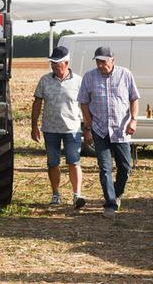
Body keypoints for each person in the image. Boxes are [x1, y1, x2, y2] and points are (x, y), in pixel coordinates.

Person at [77, 47, 140, 219]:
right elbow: (84, 102)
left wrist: (133, 119)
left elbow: (134, 98)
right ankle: (110, 203)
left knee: (125, 167)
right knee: (105, 168)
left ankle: (117, 193)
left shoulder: (125, 75)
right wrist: (88, 127)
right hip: (100, 130)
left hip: (121, 129)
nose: (100, 65)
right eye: (98, 61)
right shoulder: (89, 77)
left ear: (113, 60)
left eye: (103, 62)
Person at [31, 46, 86, 209]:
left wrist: (88, 126)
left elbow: (84, 105)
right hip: (50, 129)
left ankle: (77, 195)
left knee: (74, 161)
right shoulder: (45, 80)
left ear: (67, 63)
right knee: (53, 163)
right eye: (52, 64)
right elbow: (37, 103)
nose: (54, 66)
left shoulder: (78, 81)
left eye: (57, 63)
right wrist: (34, 126)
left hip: (72, 129)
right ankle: (56, 194)